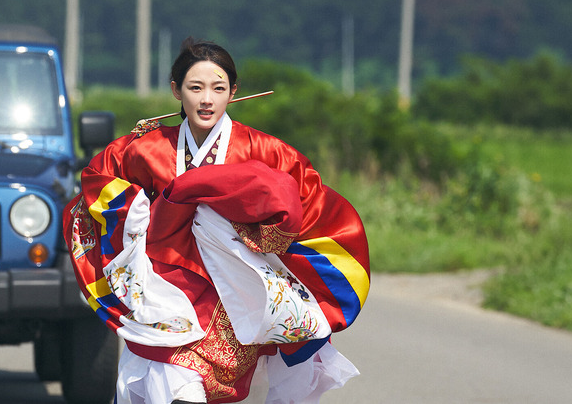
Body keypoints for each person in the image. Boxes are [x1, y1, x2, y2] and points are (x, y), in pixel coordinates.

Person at [63, 38, 370, 404]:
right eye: (195, 88)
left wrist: (263, 233)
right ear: (176, 90)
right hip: (169, 295)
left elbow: (310, 204)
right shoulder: (146, 149)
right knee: (172, 381)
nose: (206, 99)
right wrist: (140, 216)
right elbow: (98, 182)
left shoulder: (264, 150)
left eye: (218, 88)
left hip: (239, 297)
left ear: (233, 92)